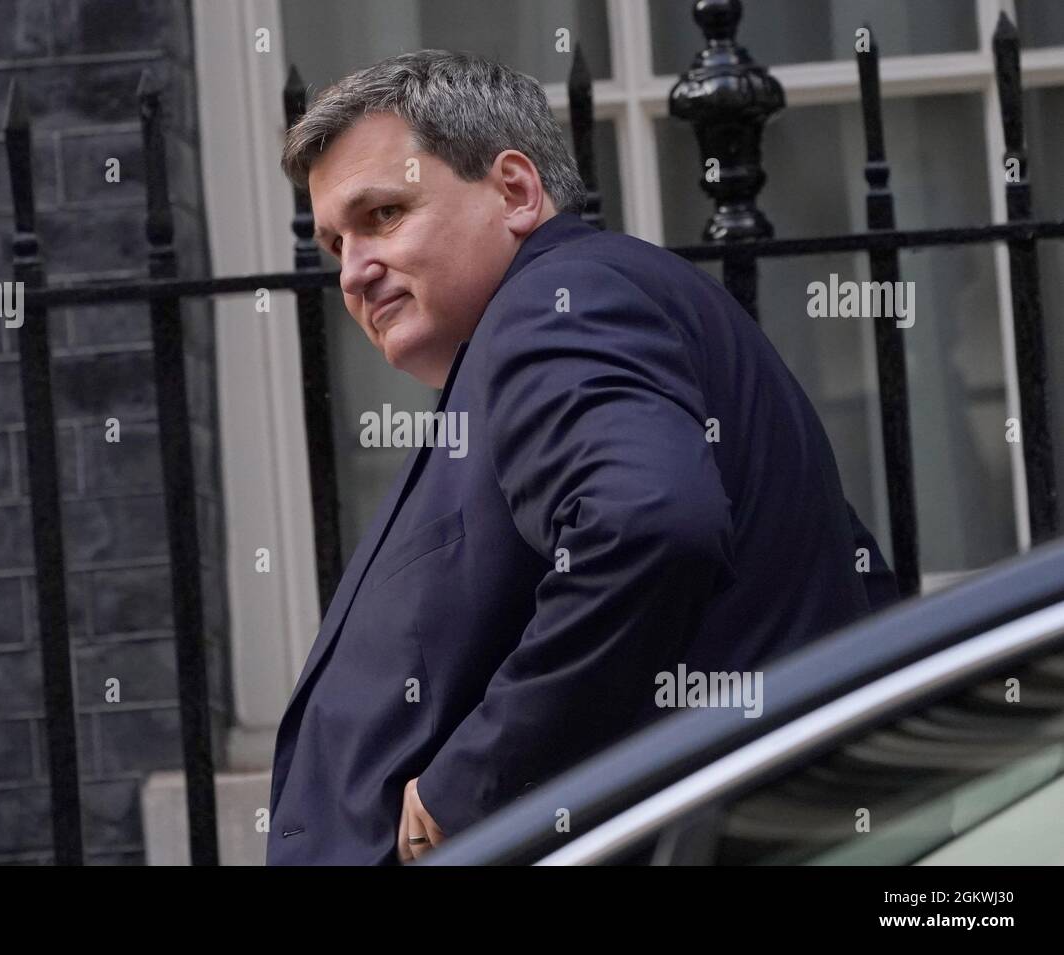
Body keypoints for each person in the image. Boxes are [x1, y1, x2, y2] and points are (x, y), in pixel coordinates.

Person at [267, 49, 899, 865]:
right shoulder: (579, 315)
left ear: (516, 191)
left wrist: (471, 783)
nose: (353, 271)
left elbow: (648, 524)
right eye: (334, 243)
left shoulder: (556, 303)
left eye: (383, 214)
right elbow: (856, 583)